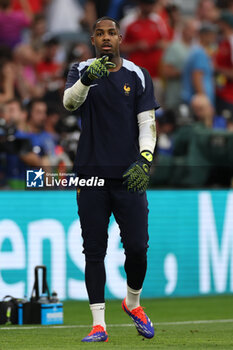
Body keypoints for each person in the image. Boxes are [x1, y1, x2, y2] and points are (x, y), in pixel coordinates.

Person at [63, 16, 158, 342]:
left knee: (137, 248)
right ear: (92, 39)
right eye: (100, 33)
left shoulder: (138, 75)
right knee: (94, 250)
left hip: (129, 176)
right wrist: (87, 79)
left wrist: (145, 159)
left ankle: (133, 303)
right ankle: (98, 325)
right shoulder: (80, 70)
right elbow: (69, 103)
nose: (106, 38)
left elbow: (147, 124)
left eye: (112, 33)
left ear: (120, 38)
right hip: (90, 176)